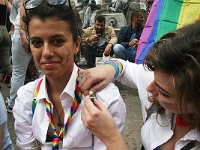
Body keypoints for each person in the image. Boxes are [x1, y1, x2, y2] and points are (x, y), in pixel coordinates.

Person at [13, 0, 126, 149]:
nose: (46, 53)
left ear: (76, 45)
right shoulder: (26, 98)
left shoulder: (105, 98)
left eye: (57, 41)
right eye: (37, 43)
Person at [79, 20, 200, 149]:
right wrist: (111, 68)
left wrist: (112, 138)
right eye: (153, 75)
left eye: (165, 93)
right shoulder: (163, 81)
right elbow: (124, 66)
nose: (149, 88)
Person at [6, 0, 32, 113]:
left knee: (18, 72)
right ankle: (43, 102)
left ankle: (13, 104)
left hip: (23, 32)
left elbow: (22, 3)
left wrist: (22, 32)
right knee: (41, 71)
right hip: (39, 30)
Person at [0, 0, 12, 84]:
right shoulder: (5, 1)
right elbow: (13, 12)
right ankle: (16, 78)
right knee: (6, 63)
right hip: (4, 31)